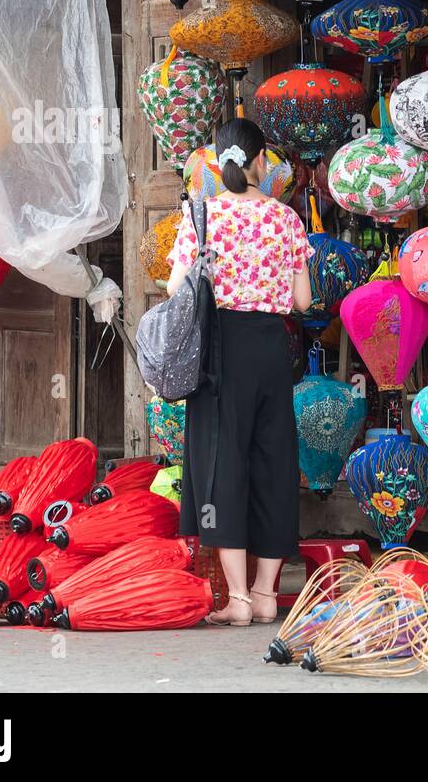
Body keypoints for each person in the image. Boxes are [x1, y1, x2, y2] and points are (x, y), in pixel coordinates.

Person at [166, 118, 312, 627]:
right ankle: (267, 593)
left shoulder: (201, 215)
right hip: (271, 346)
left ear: (216, 159)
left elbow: (174, 289)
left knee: (221, 461)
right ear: (260, 161)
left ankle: (239, 601)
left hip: (220, 349)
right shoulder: (285, 219)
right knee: (273, 461)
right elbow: (303, 300)